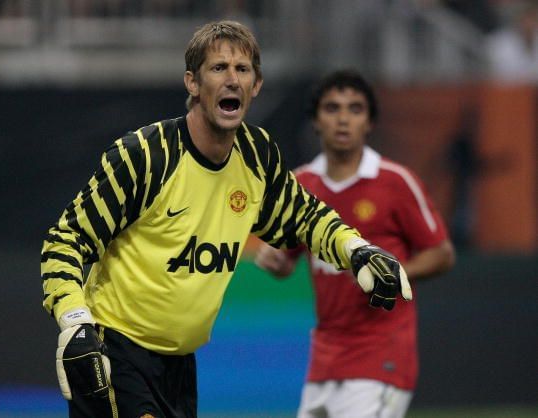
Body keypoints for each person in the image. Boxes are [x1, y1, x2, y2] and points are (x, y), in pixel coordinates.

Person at [41, 22, 412, 418]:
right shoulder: (146, 156)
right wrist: (75, 323)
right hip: (112, 351)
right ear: (193, 83)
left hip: (179, 366)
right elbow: (66, 240)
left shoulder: (256, 156)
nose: (232, 79)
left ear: (256, 86)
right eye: (219, 68)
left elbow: (305, 216)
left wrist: (356, 250)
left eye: (243, 69)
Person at [255, 69, 455, 418]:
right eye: (332, 108)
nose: (343, 119)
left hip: (382, 354)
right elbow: (286, 262)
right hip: (326, 356)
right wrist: (274, 261)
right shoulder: (300, 186)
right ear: (316, 121)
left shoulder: (395, 182)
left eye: (355, 109)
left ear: (370, 122)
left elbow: (442, 254)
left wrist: (394, 272)